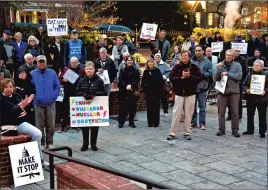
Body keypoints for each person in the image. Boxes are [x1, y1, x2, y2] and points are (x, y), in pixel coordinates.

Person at [0, 78, 49, 167]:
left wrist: (24, 108)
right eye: (6, 87)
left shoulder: (16, 96)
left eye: (11, 87)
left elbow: (22, 110)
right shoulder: (1, 99)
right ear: (2, 88)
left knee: (37, 134)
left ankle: (38, 159)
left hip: (20, 123)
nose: (9, 89)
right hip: (8, 125)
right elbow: (6, 114)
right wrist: (20, 107)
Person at [167, 51, 201, 140]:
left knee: (188, 114)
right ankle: (172, 133)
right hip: (179, 93)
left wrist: (189, 76)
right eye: (183, 56)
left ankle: (186, 132)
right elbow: (171, 78)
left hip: (190, 93)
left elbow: (199, 78)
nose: (184, 57)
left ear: (189, 57)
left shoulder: (194, 67)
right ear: (181, 57)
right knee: (176, 113)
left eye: (186, 56)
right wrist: (180, 77)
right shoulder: (177, 67)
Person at [30, 55, 60, 149]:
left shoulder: (52, 73)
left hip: (50, 103)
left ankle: (49, 142)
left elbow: (57, 86)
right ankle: (42, 143)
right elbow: (29, 88)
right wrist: (34, 98)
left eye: (43, 62)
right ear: (37, 63)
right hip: (37, 103)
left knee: (51, 125)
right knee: (39, 125)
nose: (42, 63)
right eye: (40, 62)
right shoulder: (32, 73)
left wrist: (53, 97)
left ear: (46, 62)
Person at [76, 61, 106, 151]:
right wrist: (84, 94)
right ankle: (85, 144)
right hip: (84, 107)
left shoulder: (99, 80)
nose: (89, 70)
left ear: (94, 70)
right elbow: (77, 91)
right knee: (84, 126)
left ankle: (93, 144)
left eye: (91, 69)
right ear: (85, 70)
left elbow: (104, 92)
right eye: (87, 69)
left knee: (95, 126)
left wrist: (95, 94)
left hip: (95, 106)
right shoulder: (81, 80)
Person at [213, 49, 242, 137]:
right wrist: (218, 70)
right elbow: (215, 78)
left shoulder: (237, 65)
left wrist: (228, 74)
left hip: (234, 92)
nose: (228, 57)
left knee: (235, 113)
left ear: (233, 57)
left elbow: (239, 77)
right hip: (222, 92)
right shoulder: (220, 64)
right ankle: (221, 130)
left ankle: (235, 130)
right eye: (226, 55)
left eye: (230, 55)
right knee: (221, 112)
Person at [243, 60, 268, 138]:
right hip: (251, 98)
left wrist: (265, 91)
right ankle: (250, 130)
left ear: (262, 67)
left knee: (262, 116)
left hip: (262, 99)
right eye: (254, 65)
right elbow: (244, 84)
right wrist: (246, 90)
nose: (255, 67)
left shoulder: (266, 75)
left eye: (257, 65)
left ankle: (262, 131)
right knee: (250, 115)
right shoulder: (250, 75)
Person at [59, 56, 85, 132]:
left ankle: (76, 125)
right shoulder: (66, 69)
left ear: (78, 62)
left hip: (77, 92)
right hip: (67, 92)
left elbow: (85, 79)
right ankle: (65, 124)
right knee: (65, 109)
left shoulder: (81, 70)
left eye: (75, 62)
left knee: (76, 109)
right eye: (72, 62)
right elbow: (60, 79)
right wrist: (63, 80)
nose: (73, 64)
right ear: (70, 62)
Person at [191, 45, 212, 130]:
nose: (197, 52)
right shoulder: (192, 61)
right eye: (196, 50)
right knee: (192, 106)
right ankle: (193, 122)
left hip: (203, 86)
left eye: (199, 50)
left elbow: (210, 72)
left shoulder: (207, 62)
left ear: (203, 51)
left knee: (202, 106)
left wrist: (202, 75)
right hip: (193, 87)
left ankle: (202, 123)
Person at [118, 55, 140, 128]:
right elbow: (120, 80)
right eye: (128, 60)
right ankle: (121, 122)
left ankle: (131, 122)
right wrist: (126, 86)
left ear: (133, 61)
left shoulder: (136, 71)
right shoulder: (122, 70)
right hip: (124, 91)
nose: (129, 61)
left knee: (132, 108)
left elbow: (137, 81)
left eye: (131, 60)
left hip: (132, 91)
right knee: (122, 108)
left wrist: (131, 86)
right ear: (126, 61)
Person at [226, 48, 248, 121]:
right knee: (229, 99)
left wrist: (241, 81)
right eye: (236, 51)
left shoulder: (243, 60)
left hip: (238, 82)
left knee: (238, 100)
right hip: (228, 82)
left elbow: (245, 72)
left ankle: (239, 116)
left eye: (238, 51)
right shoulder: (228, 59)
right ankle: (230, 115)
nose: (237, 52)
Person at [141, 58, 164, 127]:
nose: (150, 64)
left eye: (151, 62)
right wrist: (145, 90)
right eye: (149, 62)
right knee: (149, 108)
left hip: (156, 92)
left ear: (153, 63)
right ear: (147, 64)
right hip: (148, 93)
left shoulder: (157, 71)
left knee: (156, 108)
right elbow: (143, 82)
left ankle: (156, 122)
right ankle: (150, 122)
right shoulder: (145, 71)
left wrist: (159, 89)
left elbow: (161, 81)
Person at [154, 53, 171, 117]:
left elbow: (169, 71)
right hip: (155, 84)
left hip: (162, 84)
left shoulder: (164, 64)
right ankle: (156, 112)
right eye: (156, 57)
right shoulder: (153, 64)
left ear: (160, 58)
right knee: (156, 99)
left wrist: (165, 76)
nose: (157, 58)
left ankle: (166, 111)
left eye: (158, 57)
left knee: (163, 99)